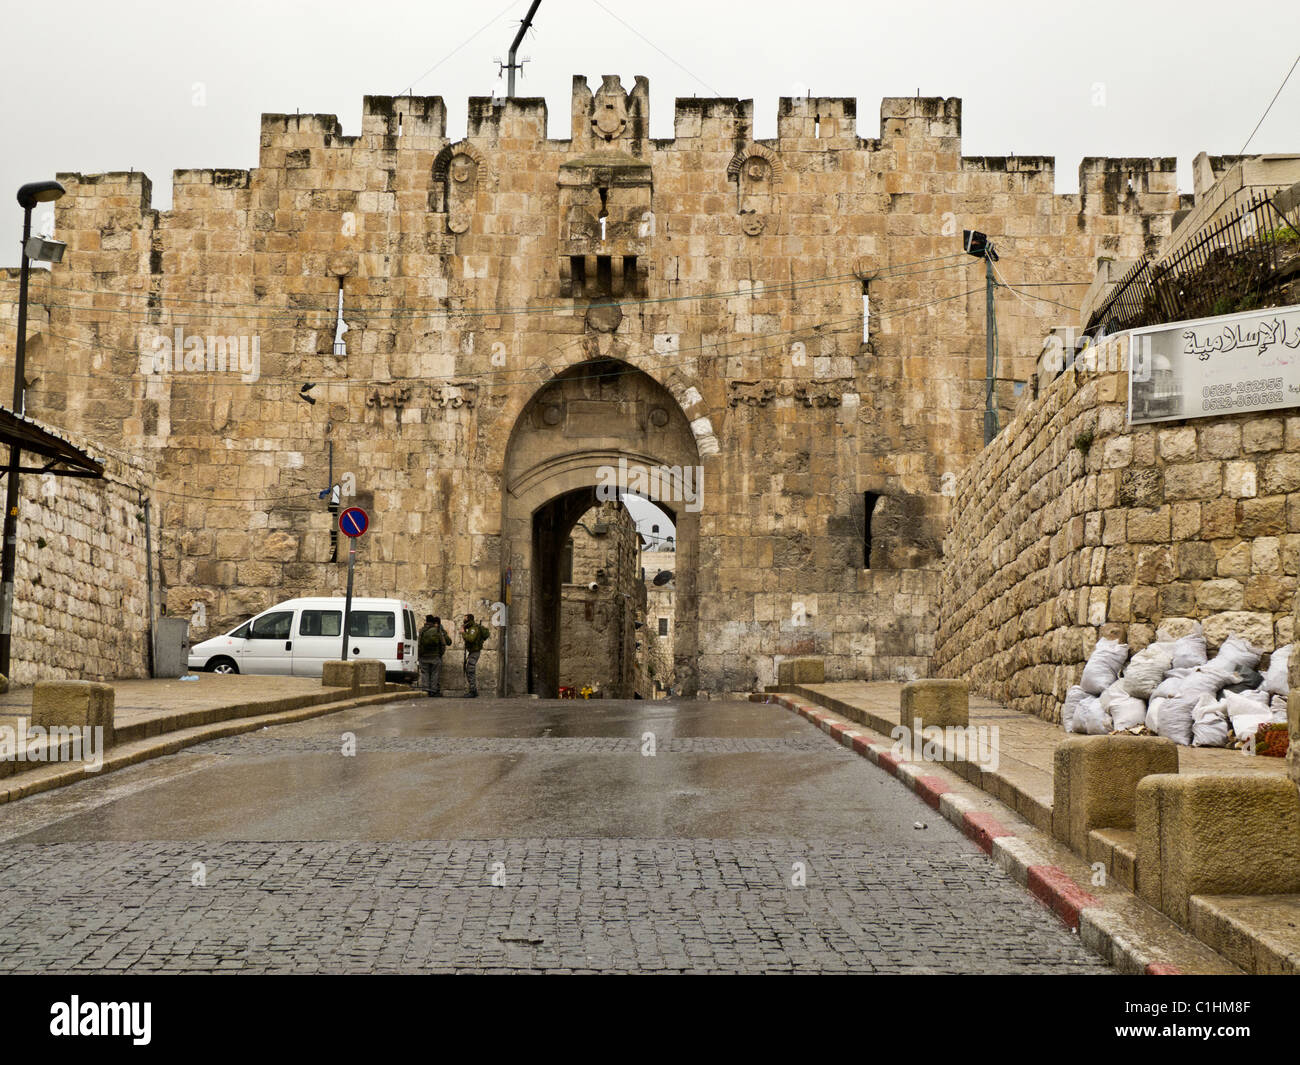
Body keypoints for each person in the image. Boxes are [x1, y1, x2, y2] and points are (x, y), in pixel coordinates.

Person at [417, 614, 450, 697]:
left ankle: (425, 690)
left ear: (426, 621)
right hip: (435, 656)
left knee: (425, 673)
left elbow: (418, 644)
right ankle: (433, 691)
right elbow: (443, 643)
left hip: (424, 656)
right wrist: (439, 654)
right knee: (435, 674)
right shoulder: (437, 630)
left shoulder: (421, 630)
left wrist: (419, 655)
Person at [461, 613, 491, 697]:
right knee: (469, 670)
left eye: (465, 618)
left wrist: (463, 633)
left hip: (475, 652)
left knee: (470, 670)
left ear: (469, 619)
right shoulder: (471, 628)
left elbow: (471, 639)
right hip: (473, 652)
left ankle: (473, 691)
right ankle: (473, 690)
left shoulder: (473, 628)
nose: (464, 620)